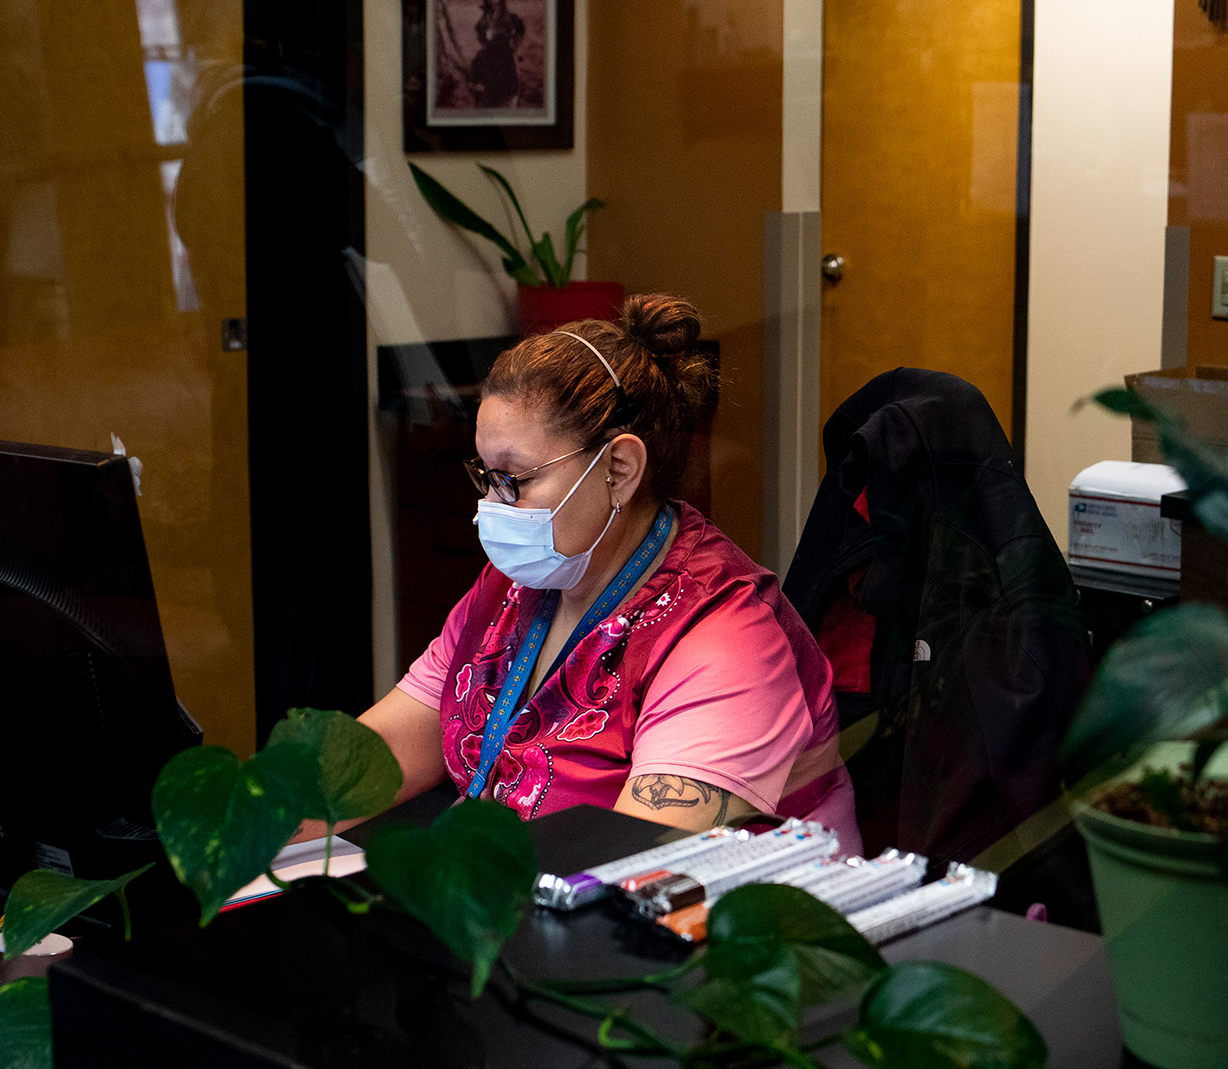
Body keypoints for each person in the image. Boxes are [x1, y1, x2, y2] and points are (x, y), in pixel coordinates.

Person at [318, 295, 857, 848]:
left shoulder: (726, 639)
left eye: (517, 480)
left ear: (619, 470)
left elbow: (627, 868)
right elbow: (375, 761)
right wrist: (241, 831)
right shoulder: (514, 587)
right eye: (486, 475)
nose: (490, 507)